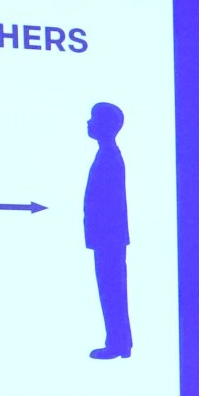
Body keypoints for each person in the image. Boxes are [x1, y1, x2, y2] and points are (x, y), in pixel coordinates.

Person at [82, 101, 132, 359]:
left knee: (112, 290)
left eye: (93, 118)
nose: (88, 123)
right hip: (107, 237)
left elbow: (108, 203)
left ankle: (118, 344)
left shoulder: (110, 156)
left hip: (108, 238)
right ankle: (120, 343)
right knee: (112, 289)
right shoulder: (107, 154)